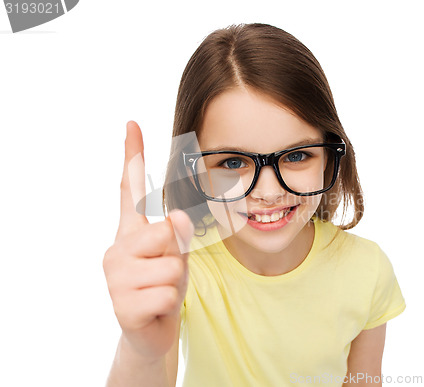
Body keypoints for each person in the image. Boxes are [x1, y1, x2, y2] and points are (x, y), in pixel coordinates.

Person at [103, 23, 406, 387]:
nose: (268, 192)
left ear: (329, 154)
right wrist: (139, 350)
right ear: (193, 169)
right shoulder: (182, 269)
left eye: (296, 155)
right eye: (233, 163)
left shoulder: (367, 270)